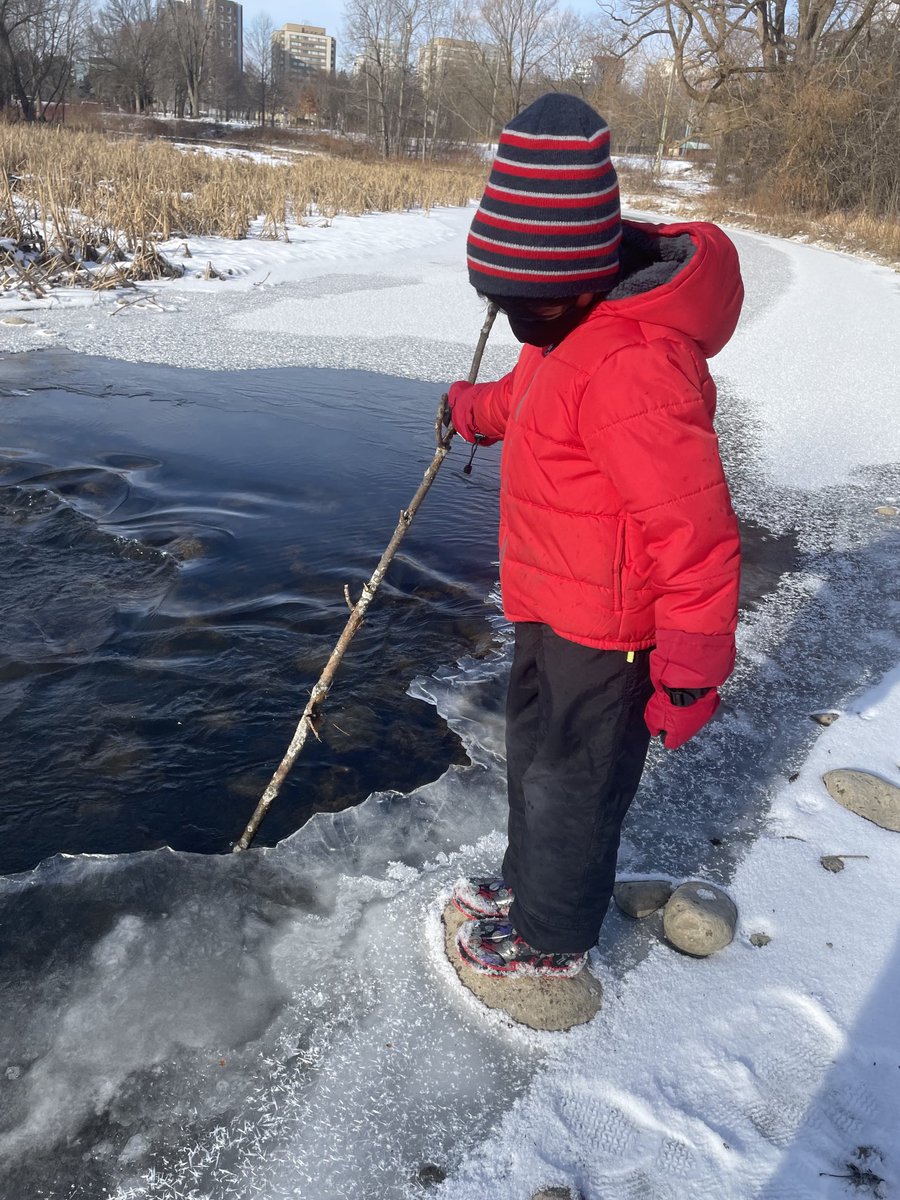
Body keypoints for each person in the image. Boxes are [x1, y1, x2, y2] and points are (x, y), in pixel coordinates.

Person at [445, 92, 743, 979]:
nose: (518, 322)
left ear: (580, 277)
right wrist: (471, 412)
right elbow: (530, 396)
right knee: (532, 753)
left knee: (575, 783)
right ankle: (527, 882)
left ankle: (554, 939)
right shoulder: (563, 324)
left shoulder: (633, 366)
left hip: (613, 632)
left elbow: (694, 531)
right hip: (550, 598)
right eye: (503, 305)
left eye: (527, 306)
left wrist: (689, 671)